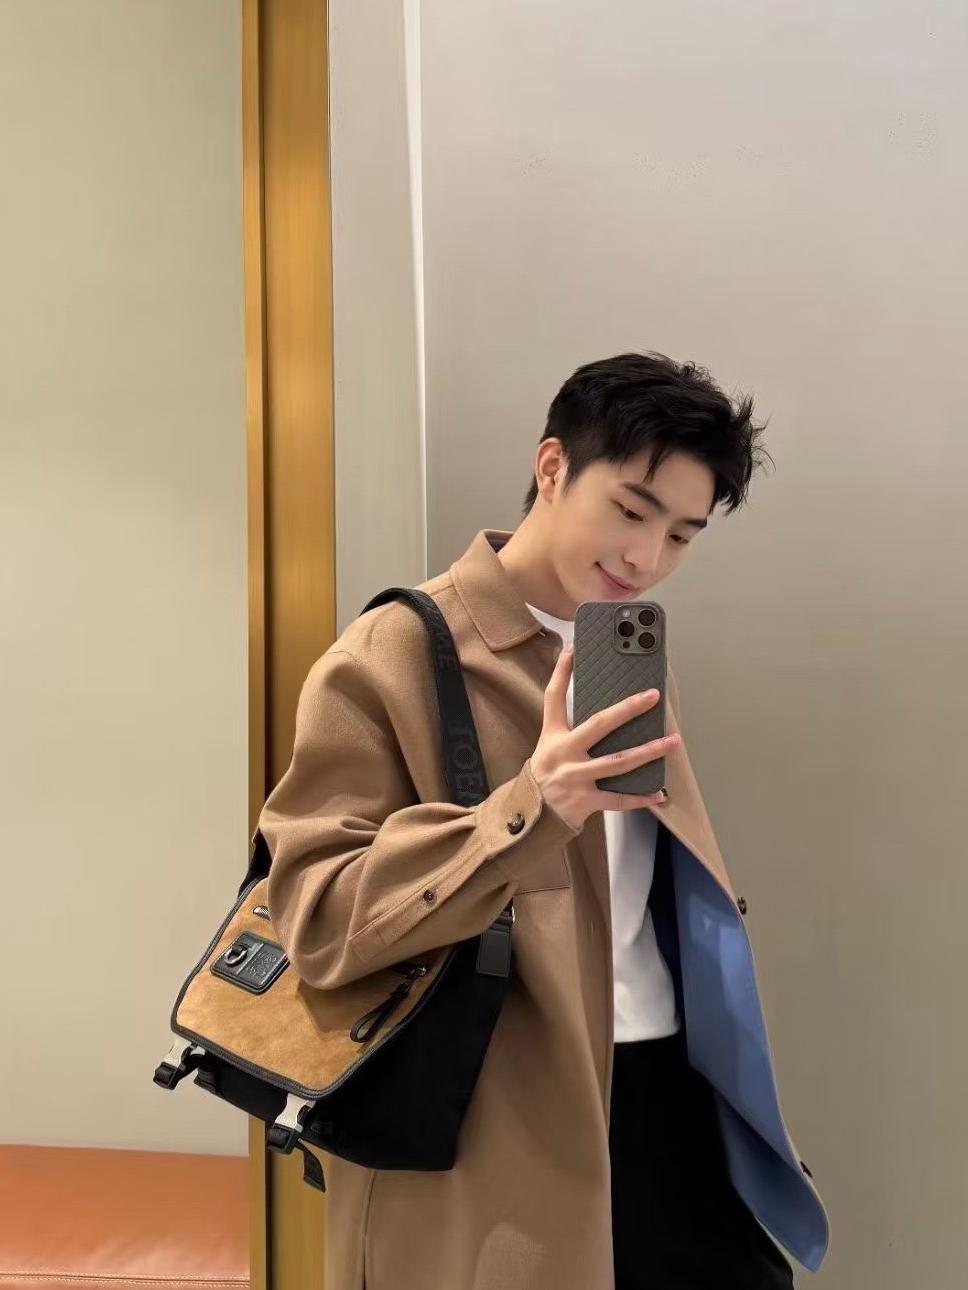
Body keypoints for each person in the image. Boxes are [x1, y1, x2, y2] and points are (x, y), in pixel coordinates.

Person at [257, 351, 828, 1290]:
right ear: (554, 466)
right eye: (632, 511)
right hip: (499, 1117)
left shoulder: (626, 652)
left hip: (668, 1086)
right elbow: (317, 918)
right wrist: (532, 806)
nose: (647, 559)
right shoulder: (392, 653)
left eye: (681, 535)